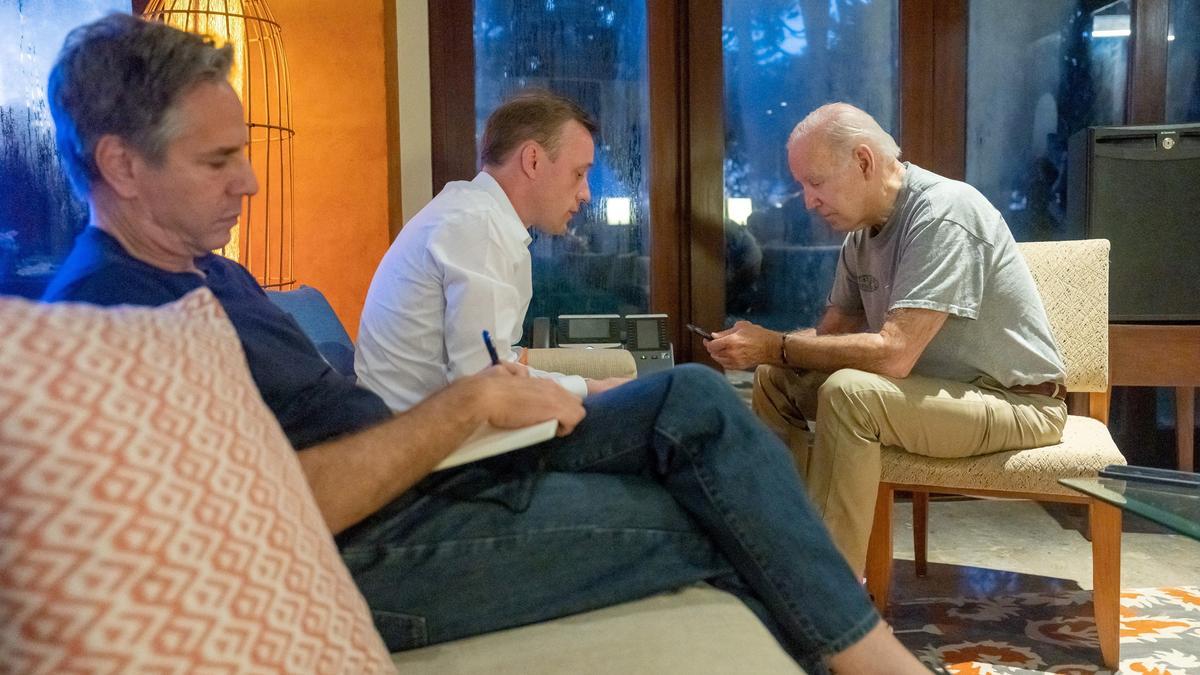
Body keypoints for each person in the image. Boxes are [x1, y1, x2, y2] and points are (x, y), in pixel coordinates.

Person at [41, 16, 932, 673]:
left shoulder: (207, 272)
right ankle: (874, 659)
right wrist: (468, 406)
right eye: (216, 161)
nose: (250, 178)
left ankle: (857, 648)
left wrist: (487, 409)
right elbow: (270, 508)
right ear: (121, 165)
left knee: (692, 400)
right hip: (376, 548)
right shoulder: (111, 319)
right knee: (724, 512)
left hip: (419, 482)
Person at [705, 102, 1068, 577]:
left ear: (862, 161)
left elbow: (895, 354)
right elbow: (828, 337)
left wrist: (776, 342)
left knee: (850, 395)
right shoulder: (860, 238)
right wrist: (760, 349)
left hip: (1015, 403)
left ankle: (829, 597)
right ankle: (779, 552)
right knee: (777, 379)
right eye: (802, 186)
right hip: (928, 392)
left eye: (815, 182)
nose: (807, 200)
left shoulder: (943, 213)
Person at [355, 91, 627, 413]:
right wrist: (586, 390)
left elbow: (498, 366)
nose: (586, 194)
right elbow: (484, 387)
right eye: (579, 173)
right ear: (533, 160)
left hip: (438, 425)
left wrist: (589, 387)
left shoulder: (478, 216)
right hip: (434, 445)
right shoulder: (477, 226)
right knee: (683, 389)